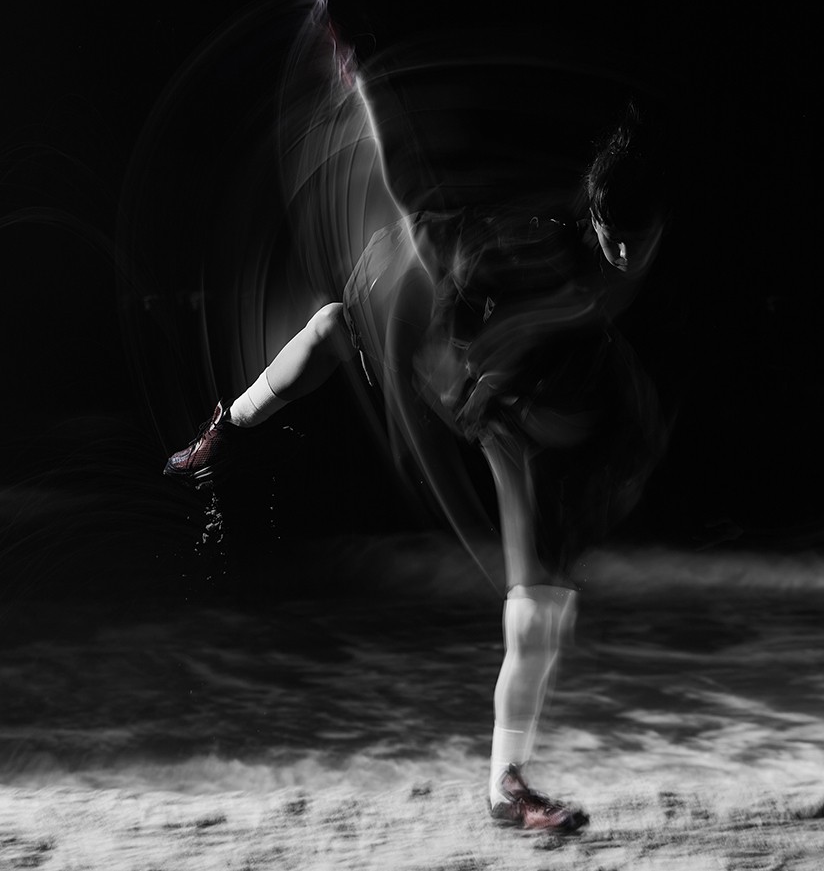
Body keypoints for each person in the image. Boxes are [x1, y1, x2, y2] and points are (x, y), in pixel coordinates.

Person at [164, 92, 669, 832]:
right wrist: (465, 380)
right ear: (594, 220)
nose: (625, 254)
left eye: (637, 240)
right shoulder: (536, 248)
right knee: (537, 607)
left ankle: (229, 426)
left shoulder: (596, 278)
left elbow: (578, 342)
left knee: (336, 326)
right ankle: (506, 788)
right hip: (434, 317)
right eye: (613, 238)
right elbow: (455, 283)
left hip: (482, 369)